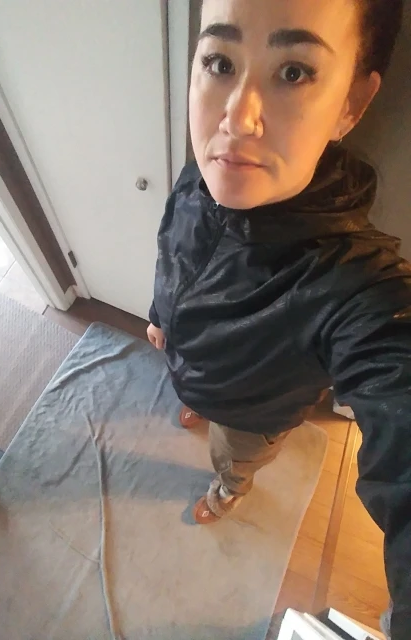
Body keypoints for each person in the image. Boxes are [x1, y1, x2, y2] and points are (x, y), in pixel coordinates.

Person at [147, 0, 410, 637]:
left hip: (252, 415)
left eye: (294, 72)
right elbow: (173, 248)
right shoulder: (201, 173)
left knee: (233, 458)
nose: (237, 119)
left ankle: (228, 492)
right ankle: (199, 398)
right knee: (198, 400)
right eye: (220, 62)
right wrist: (161, 315)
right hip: (192, 363)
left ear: (351, 104)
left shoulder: (355, 282)